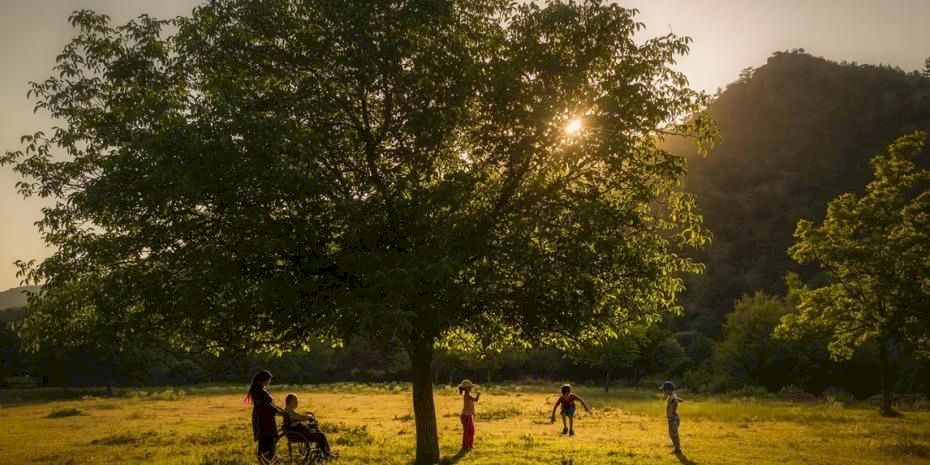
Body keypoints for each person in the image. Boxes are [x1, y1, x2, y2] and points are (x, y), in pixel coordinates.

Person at [283, 393, 337, 459]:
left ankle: (327, 453)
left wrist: (307, 417)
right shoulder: (288, 410)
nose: (297, 402)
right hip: (299, 434)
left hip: (298, 431)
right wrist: (308, 417)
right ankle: (327, 454)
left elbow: (298, 417)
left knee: (319, 432)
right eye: (295, 401)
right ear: (290, 402)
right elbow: (299, 417)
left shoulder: (288, 410)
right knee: (320, 435)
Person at [246, 369, 284, 463]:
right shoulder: (257, 391)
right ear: (262, 380)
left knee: (268, 439)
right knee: (266, 439)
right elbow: (266, 405)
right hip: (262, 419)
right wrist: (278, 411)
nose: (269, 381)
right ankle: (266, 459)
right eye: (268, 379)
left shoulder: (261, 390)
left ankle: (269, 459)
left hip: (267, 418)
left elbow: (270, 404)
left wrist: (279, 409)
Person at [660, 380, 683, 454]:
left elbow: (675, 402)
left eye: (664, 390)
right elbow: (676, 399)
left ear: (668, 389)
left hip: (674, 419)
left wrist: (673, 411)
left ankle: (677, 449)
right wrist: (679, 399)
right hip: (671, 419)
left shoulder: (672, 397)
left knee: (674, 434)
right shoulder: (672, 395)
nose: (663, 391)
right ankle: (676, 448)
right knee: (671, 434)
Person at [458, 380, 480, 450]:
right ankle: (466, 445)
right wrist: (478, 395)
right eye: (470, 387)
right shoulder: (467, 395)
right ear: (466, 388)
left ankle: (469, 445)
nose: (471, 388)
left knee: (470, 430)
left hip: (467, 415)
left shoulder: (468, 395)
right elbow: (476, 400)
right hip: (466, 416)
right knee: (468, 431)